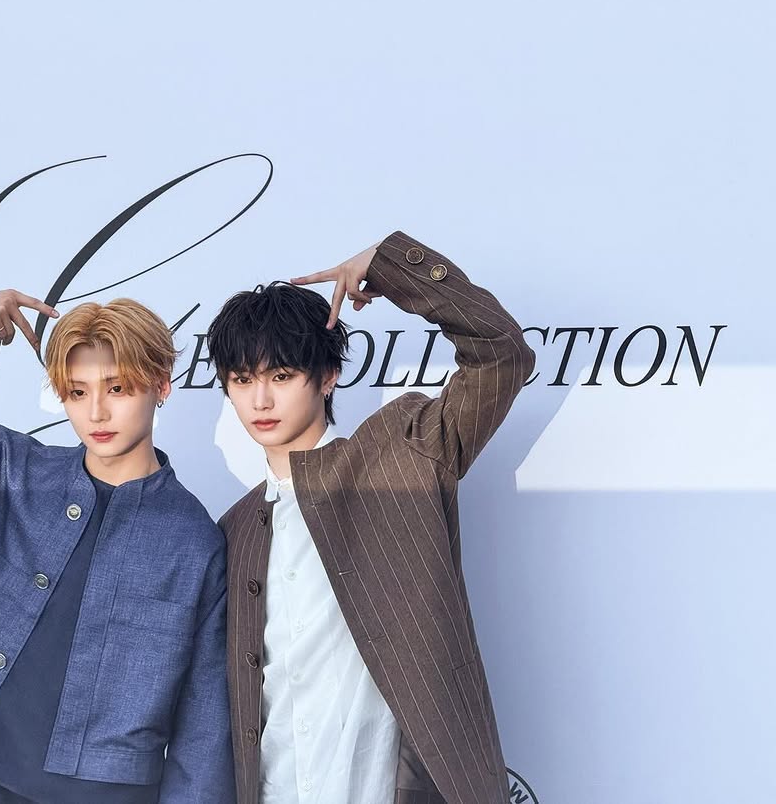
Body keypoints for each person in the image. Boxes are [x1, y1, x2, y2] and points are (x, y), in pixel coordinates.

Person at [0, 289, 234, 803]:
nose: (96, 412)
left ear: (160, 385)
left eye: (117, 388)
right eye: (77, 391)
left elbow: (204, 725)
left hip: (101, 792)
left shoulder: (192, 541)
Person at [206, 231, 535, 804]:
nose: (260, 401)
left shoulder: (401, 456)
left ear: (327, 375)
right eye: (242, 380)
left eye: (281, 376)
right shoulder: (234, 531)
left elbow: (502, 353)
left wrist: (391, 266)